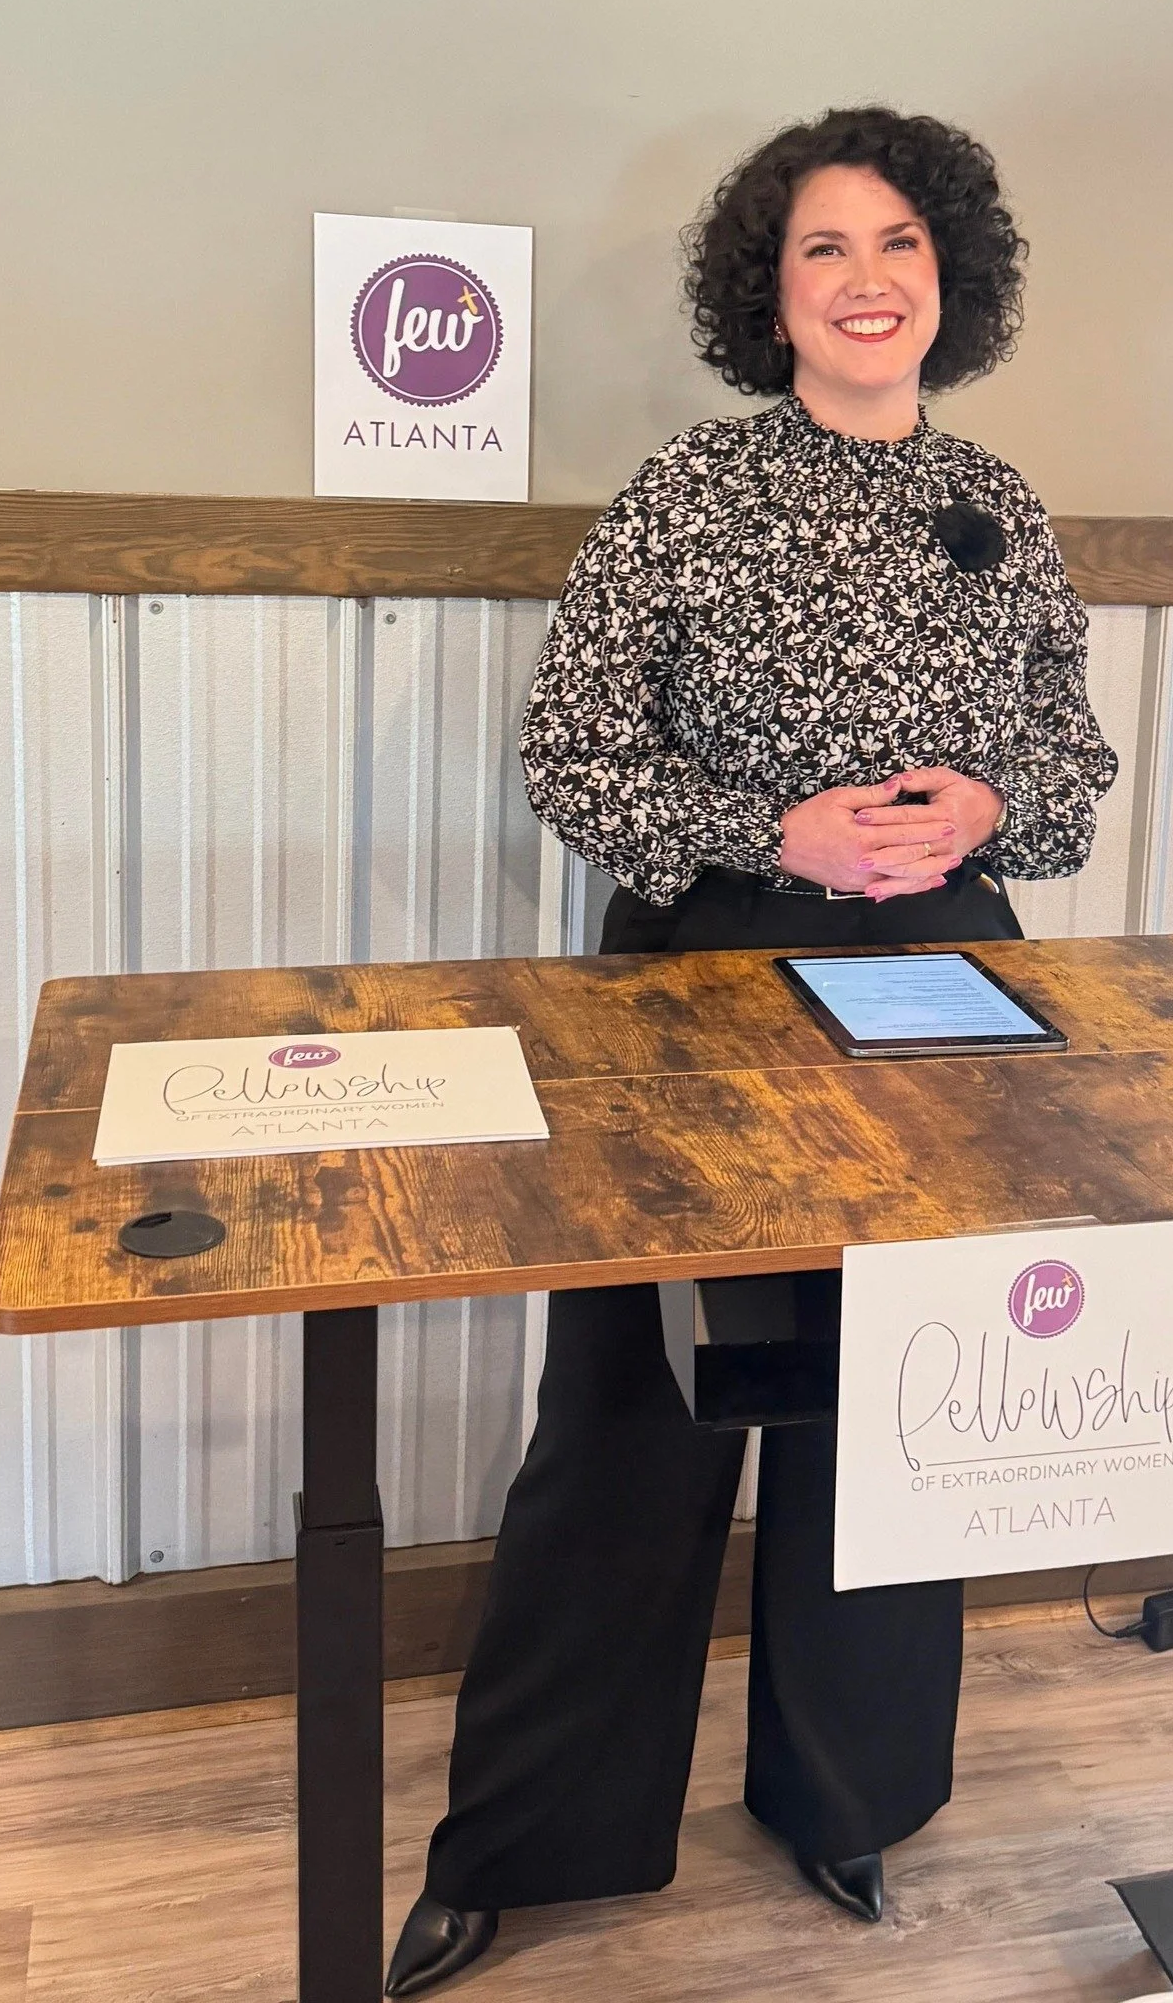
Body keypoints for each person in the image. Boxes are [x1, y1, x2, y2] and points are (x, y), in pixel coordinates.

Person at [385, 102, 1119, 1997]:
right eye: (823, 248)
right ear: (765, 292)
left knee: (901, 1408)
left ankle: (849, 1804)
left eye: (897, 245)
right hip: (700, 980)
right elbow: (573, 756)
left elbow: (1071, 776)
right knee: (631, 1413)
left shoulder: (1007, 506)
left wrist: (980, 801)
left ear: (946, 279)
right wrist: (767, 829)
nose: (865, 280)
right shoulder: (687, 492)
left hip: (949, 988)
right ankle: (532, 1842)